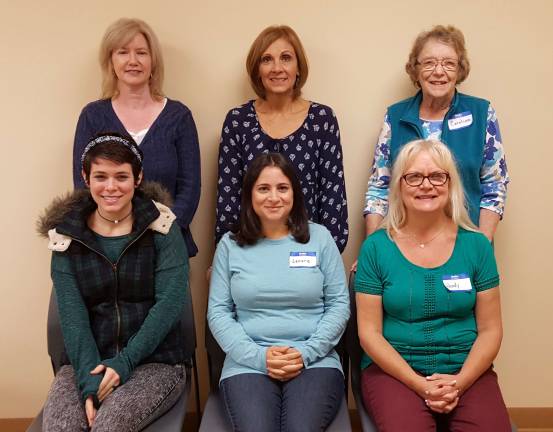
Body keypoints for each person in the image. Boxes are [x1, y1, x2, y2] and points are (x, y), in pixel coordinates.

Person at [355, 139, 510, 431]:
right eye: (414, 176)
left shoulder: (477, 245)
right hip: (395, 372)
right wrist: (419, 384)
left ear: (451, 184)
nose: (426, 185)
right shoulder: (376, 248)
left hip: (465, 370)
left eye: (437, 176)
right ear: (399, 186)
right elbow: (369, 334)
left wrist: (459, 383)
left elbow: (491, 330)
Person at [39, 133, 189, 431]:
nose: (111, 187)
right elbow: (72, 315)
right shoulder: (66, 236)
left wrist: (124, 363)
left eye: (121, 176)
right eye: (100, 176)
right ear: (86, 177)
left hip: (155, 361)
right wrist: (89, 379)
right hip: (85, 361)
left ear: (138, 177)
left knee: (109, 427)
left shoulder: (163, 226)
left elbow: (169, 305)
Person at [208, 153, 349, 432]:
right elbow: (218, 312)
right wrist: (259, 357)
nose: (274, 197)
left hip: (315, 360)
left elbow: (339, 305)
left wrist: (305, 353)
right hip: (247, 362)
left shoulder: (319, 238)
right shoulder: (229, 244)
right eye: (263, 188)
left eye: (282, 188)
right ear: (250, 194)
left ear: (294, 193)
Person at [364, 25, 509, 241]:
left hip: (465, 242)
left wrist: (482, 249)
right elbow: (379, 188)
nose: (439, 71)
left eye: (449, 63)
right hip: (403, 244)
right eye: (429, 62)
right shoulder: (395, 117)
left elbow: (494, 186)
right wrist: (371, 251)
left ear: (460, 70)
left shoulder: (482, 113)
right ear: (415, 69)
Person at [73, 18, 200, 257]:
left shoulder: (178, 116)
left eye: (141, 52)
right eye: (123, 52)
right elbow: (83, 187)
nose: (133, 61)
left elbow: (190, 188)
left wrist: (164, 234)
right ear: (111, 61)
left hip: (167, 247)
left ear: (153, 62)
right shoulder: (92, 116)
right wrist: (113, 237)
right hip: (108, 249)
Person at [215, 25, 348, 253]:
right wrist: (224, 255)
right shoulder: (237, 121)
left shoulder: (321, 119)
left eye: (286, 58)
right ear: (257, 70)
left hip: (307, 250)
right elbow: (228, 197)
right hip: (249, 250)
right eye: (267, 59)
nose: (277, 68)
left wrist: (328, 256)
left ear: (298, 68)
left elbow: (332, 195)